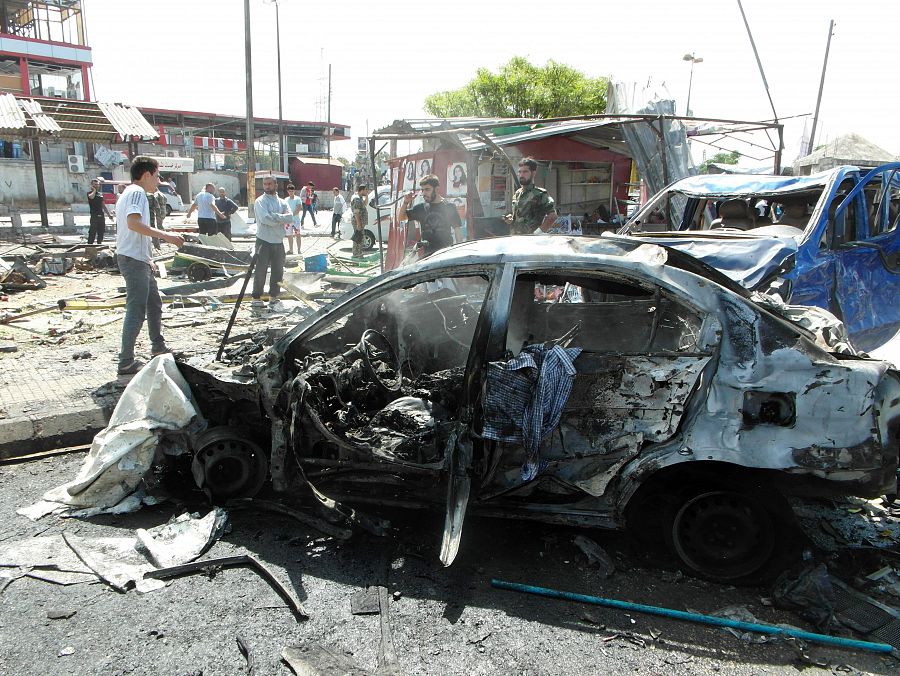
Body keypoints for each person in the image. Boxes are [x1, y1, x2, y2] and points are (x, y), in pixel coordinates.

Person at [115, 156, 184, 376]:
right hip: (133, 260)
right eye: (157, 175)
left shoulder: (130, 192)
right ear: (146, 175)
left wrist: (149, 257)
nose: (158, 180)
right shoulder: (136, 193)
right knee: (136, 310)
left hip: (139, 259)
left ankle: (158, 347)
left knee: (154, 303)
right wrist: (166, 236)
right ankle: (126, 361)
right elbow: (133, 223)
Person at [252, 176, 293, 311]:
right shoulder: (260, 201)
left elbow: (290, 217)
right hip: (263, 240)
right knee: (260, 270)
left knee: (278, 271)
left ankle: (273, 297)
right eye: (265, 184)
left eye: (269, 184)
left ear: (276, 184)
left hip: (278, 241)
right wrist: (280, 219)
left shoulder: (282, 202)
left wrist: (274, 216)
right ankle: (256, 298)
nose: (267, 186)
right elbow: (265, 219)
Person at [398, 174, 462, 257]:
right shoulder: (420, 208)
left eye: (427, 189)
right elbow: (401, 217)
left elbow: (457, 231)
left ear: (437, 189)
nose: (424, 193)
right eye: (422, 190)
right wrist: (405, 202)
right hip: (427, 257)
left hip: (446, 254)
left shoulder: (449, 207)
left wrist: (459, 253)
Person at [504, 157, 557, 235]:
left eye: (525, 172)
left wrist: (537, 233)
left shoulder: (540, 194)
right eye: (520, 172)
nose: (521, 175)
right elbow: (518, 215)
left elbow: (552, 216)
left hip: (531, 241)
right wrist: (510, 218)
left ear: (533, 173)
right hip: (515, 239)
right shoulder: (517, 194)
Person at [86, 178, 113, 244]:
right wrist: (94, 190)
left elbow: (103, 205)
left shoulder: (100, 194)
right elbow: (91, 197)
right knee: (93, 231)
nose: (97, 186)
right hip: (94, 215)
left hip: (101, 215)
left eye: (97, 184)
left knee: (101, 231)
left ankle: (99, 244)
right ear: (92, 185)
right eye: (95, 184)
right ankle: (90, 245)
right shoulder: (89, 193)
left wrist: (109, 214)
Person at [349, 184, 370, 258]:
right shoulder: (357, 199)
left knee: (360, 236)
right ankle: (356, 253)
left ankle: (358, 253)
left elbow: (365, 204)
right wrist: (358, 224)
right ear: (362, 190)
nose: (367, 191)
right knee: (358, 237)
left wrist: (367, 195)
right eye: (366, 190)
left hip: (360, 222)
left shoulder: (360, 198)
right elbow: (356, 212)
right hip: (358, 221)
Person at [284, 184, 303, 254]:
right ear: (287, 191)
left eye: (292, 191)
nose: (291, 192)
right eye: (289, 191)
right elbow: (284, 209)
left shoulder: (297, 199)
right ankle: (291, 249)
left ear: (294, 191)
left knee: (297, 234)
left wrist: (291, 216)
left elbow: (298, 209)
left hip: (295, 220)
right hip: (288, 221)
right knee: (289, 235)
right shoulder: (285, 199)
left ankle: (299, 250)